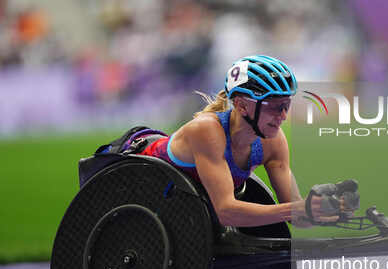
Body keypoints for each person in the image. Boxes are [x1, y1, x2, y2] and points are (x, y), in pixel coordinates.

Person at [131, 55, 354, 227]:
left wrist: (330, 211)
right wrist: (298, 209)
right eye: (275, 107)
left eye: (286, 105)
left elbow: (297, 217)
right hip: (135, 186)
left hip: (178, 207)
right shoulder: (207, 130)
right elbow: (226, 212)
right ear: (242, 105)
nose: (283, 116)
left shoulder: (273, 141)